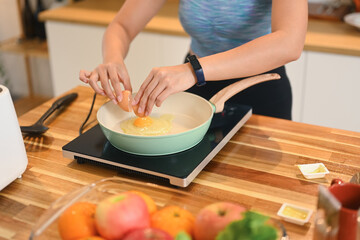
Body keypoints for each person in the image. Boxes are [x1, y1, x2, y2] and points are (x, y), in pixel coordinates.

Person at [79, 0, 308, 120]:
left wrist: (193, 70)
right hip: (197, 87)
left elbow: (289, 42)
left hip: (259, 90)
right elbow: (122, 26)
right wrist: (113, 59)